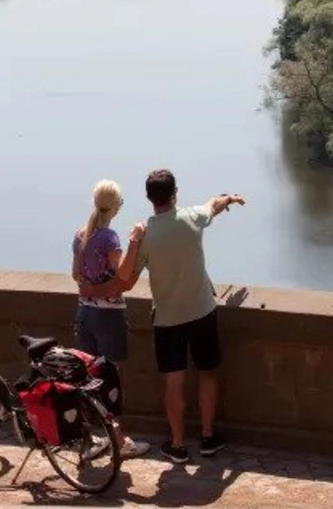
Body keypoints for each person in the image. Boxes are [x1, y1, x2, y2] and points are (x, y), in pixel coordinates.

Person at [88, 168, 245, 464]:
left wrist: (134, 243)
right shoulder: (192, 217)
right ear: (175, 193)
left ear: (149, 198)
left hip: (168, 320)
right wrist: (230, 198)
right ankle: (209, 437)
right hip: (202, 312)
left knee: (174, 383)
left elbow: (124, 281)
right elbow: (213, 204)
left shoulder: (146, 234)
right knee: (208, 373)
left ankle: (178, 445)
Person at [69, 180, 150, 458]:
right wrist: (135, 243)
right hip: (109, 317)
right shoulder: (110, 238)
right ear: (116, 208)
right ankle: (119, 441)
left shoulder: (81, 235)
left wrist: (90, 287)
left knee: (87, 378)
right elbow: (123, 277)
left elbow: (75, 276)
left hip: (85, 313)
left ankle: (94, 438)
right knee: (111, 380)